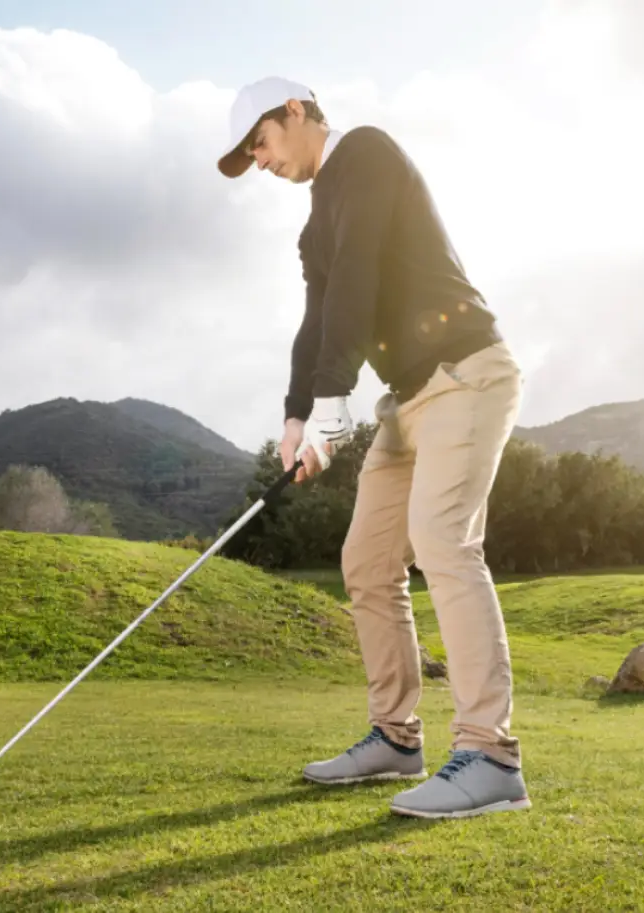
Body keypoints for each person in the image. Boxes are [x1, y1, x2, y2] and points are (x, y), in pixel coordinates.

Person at [216, 77, 529, 819]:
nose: (259, 161)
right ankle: (396, 736)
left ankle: (491, 754)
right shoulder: (313, 225)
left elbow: (358, 276)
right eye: (247, 156)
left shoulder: (364, 154)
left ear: (296, 111)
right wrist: (297, 417)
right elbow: (320, 318)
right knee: (365, 561)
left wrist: (333, 400)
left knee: (442, 539)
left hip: (467, 374)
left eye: (259, 142)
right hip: (409, 399)